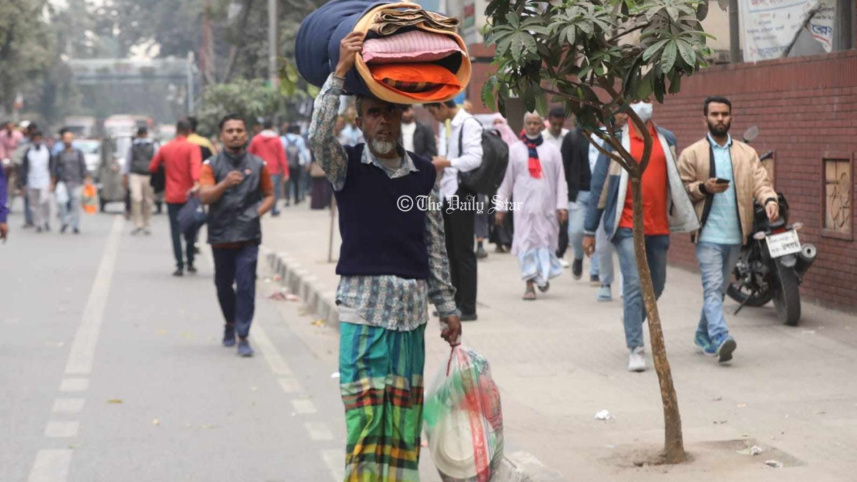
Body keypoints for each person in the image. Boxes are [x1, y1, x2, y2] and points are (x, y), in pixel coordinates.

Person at [310, 32, 462, 481]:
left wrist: (448, 308)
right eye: (373, 114)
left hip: (410, 319)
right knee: (365, 424)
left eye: (388, 113)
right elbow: (318, 134)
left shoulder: (421, 177)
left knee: (402, 428)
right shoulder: (347, 167)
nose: (381, 122)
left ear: (403, 116)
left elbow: (434, 248)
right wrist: (340, 71)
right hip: (363, 316)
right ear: (359, 121)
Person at [583, 99, 698, 372]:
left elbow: (675, 181)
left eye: (647, 100)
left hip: (658, 225)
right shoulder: (615, 140)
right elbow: (599, 185)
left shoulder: (666, 138)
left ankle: (631, 318)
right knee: (634, 283)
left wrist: (687, 213)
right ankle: (635, 346)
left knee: (656, 285)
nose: (643, 105)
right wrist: (589, 230)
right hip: (626, 225)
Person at [678, 96, 778, 363]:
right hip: (707, 235)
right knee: (712, 287)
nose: (720, 118)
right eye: (714, 114)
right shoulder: (692, 154)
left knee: (720, 288)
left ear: (731, 117)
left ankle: (702, 335)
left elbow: (760, 182)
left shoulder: (746, 154)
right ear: (705, 119)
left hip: (735, 235)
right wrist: (704, 188)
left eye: (724, 114)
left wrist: (769, 200)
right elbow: (680, 192)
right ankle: (721, 336)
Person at [199, 114, 274, 357]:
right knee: (223, 285)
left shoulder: (258, 164)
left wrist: (256, 213)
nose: (234, 134)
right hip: (220, 235)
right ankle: (229, 323)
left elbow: (270, 195)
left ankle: (243, 334)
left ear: (246, 134)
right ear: (221, 135)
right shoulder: (211, 166)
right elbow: (204, 196)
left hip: (248, 236)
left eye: (239, 130)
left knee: (246, 285)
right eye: (229, 130)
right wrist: (224, 184)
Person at [495, 112, 568, 300]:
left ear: (542, 126)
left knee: (546, 242)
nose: (533, 126)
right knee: (526, 243)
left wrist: (562, 206)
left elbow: (561, 180)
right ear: (524, 124)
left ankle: (542, 276)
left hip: (547, 208)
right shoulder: (515, 150)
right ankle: (529, 285)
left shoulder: (552, 151)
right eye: (529, 123)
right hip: (523, 209)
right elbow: (506, 181)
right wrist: (500, 208)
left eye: (536, 123)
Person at [426, 99, 483, 322]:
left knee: (464, 252)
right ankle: (454, 304)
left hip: (462, 192)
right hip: (447, 192)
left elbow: (474, 158)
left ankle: (468, 307)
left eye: (433, 111)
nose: (434, 117)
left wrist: (446, 163)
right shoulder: (447, 124)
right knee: (450, 251)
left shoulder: (468, 123)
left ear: (443, 106)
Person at [148, 119, 202, 276]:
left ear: (176, 130)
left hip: (171, 195)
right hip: (189, 195)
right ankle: (190, 261)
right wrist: (196, 184)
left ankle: (179, 265)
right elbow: (195, 169)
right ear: (189, 131)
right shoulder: (193, 148)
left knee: (175, 231)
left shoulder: (166, 148)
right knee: (191, 228)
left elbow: (152, 166)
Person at [52, 130, 91, 234]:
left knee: (75, 204)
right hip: (63, 182)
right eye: (65, 138)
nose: (67, 140)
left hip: (76, 181)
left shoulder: (78, 153)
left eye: (69, 138)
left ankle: (75, 225)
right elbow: (54, 169)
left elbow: (83, 166)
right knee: (62, 203)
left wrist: (87, 179)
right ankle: (64, 222)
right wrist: (53, 182)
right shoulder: (60, 154)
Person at [248, 119, 288, 216]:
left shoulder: (256, 139)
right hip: (274, 169)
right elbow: (281, 156)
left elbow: (249, 154)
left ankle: (260, 208)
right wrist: (286, 172)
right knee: (274, 190)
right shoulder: (277, 139)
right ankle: (273, 209)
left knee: (260, 188)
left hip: (259, 168)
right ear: (272, 127)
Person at [124, 127, 157, 234]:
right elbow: (128, 161)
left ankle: (146, 223)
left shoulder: (153, 145)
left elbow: (157, 160)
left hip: (148, 175)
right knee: (136, 198)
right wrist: (125, 174)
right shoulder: (133, 146)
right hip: (135, 174)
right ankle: (137, 224)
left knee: (148, 200)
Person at [20, 131, 53, 233]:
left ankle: (46, 220)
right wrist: (23, 183)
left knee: (44, 201)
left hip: (45, 180)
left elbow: (52, 166)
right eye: (35, 139)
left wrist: (53, 180)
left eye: (39, 138)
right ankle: (38, 224)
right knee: (35, 204)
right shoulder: (28, 152)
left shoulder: (47, 150)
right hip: (32, 181)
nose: (37, 140)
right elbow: (24, 167)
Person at [282, 124, 309, 206]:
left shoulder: (283, 139)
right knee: (296, 180)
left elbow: (281, 152)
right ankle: (297, 198)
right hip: (297, 163)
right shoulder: (299, 139)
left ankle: (287, 198)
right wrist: (307, 162)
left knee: (287, 180)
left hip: (286, 163)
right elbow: (304, 152)